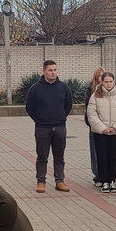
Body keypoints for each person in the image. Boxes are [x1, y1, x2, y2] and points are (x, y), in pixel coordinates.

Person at [25, 59, 74, 193]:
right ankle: (41, 182)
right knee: (42, 157)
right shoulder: (35, 89)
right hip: (42, 128)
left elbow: (68, 105)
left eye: (55, 70)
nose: (53, 73)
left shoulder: (64, 88)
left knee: (59, 157)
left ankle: (60, 181)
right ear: (44, 71)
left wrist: (62, 117)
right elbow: (29, 107)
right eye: (50, 70)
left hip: (59, 127)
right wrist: (39, 119)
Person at [87, 72, 116, 193]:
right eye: (106, 82)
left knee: (113, 157)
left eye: (110, 81)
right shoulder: (95, 96)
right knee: (102, 157)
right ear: (102, 82)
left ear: (114, 82)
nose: (108, 84)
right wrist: (102, 128)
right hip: (100, 133)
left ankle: (112, 181)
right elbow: (91, 114)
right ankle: (104, 181)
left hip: (115, 133)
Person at [84, 67, 105, 185]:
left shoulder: (111, 90)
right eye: (100, 76)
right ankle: (97, 176)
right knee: (95, 152)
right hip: (94, 127)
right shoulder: (90, 90)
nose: (102, 78)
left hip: (108, 127)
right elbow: (88, 110)